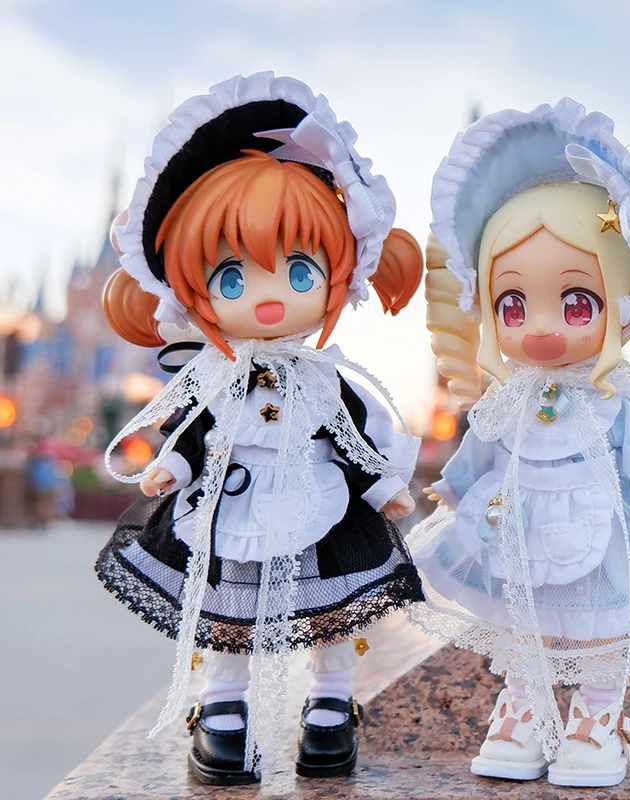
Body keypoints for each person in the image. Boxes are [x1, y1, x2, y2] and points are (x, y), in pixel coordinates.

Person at [96, 71, 424, 786]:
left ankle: (330, 709)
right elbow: (195, 432)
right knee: (227, 613)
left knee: (334, 611)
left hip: (319, 505)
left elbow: (350, 437)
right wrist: (173, 466)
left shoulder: (323, 378)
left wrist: (381, 487)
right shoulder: (215, 376)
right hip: (234, 507)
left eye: (300, 272)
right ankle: (223, 712)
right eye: (233, 279)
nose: (270, 300)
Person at [409, 98, 630, 788]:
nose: (541, 327)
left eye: (577, 302)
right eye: (513, 304)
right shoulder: (509, 397)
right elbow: (483, 446)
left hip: (601, 527)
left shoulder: (616, 397)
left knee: (603, 629)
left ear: (623, 304)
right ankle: (522, 711)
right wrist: (453, 486)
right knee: (523, 624)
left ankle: (597, 720)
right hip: (517, 525)